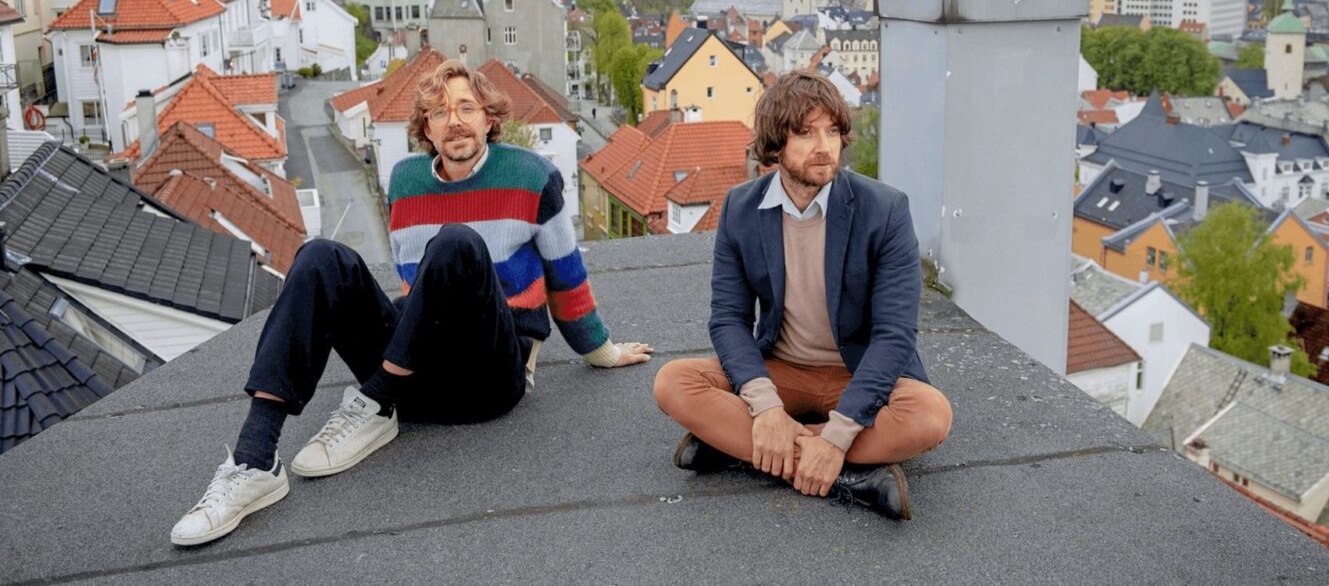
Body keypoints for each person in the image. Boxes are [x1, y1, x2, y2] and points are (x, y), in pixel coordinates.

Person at [171, 59, 652, 546]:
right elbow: (413, 289)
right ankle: (255, 460)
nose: (455, 121)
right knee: (320, 256)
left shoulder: (533, 176)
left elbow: (566, 279)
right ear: (426, 128)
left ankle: (374, 402)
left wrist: (601, 350)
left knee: (456, 243)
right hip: (413, 373)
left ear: (489, 117)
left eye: (467, 107)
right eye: (440, 113)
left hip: (489, 376)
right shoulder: (405, 180)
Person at [652, 70, 951, 520]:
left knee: (930, 415)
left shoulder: (884, 210)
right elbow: (729, 319)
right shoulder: (740, 207)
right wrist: (767, 408)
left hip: (859, 373)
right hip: (782, 370)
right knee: (674, 382)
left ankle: (747, 448)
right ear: (775, 144)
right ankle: (851, 478)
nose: (824, 146)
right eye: (806, 132)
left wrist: (835, 435)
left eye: (832, 131)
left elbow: (894, 335)